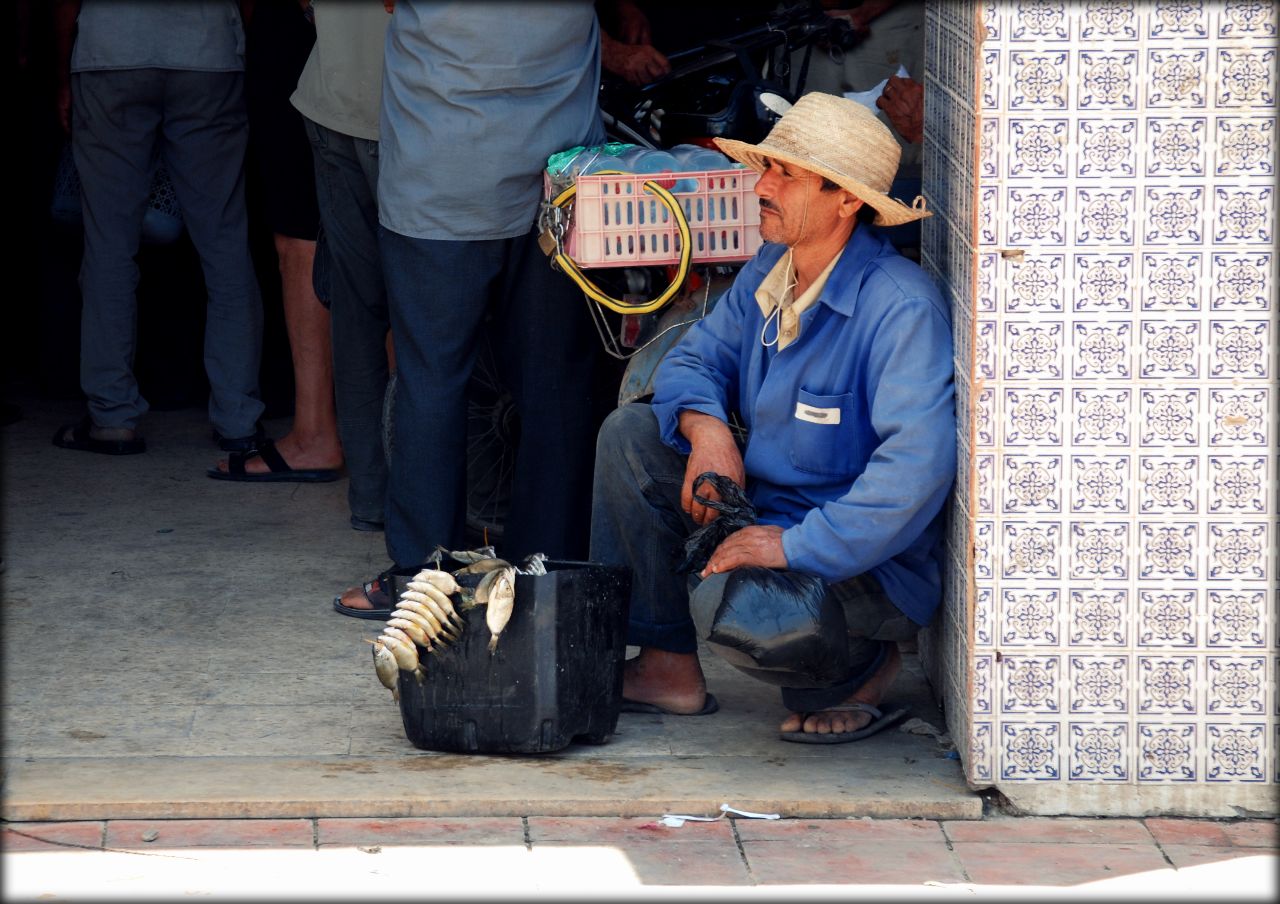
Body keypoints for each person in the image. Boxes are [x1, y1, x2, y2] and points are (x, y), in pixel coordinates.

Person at [589, 93, 955, 742]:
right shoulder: (774, 267)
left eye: (786, 174)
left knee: (743, 610)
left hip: (862, 562)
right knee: (632, 437)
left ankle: (862, 667)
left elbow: (915, 471)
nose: (763, 185)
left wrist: (791, 546)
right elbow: (692, 361)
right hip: (769, 510)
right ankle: (668, 668)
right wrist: (708, 436)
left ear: (846, 199)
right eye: (767, 168)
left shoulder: (900, 307)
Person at [334, 0, 604, 617]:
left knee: (432, 379)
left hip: (443, 170)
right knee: (555, 383)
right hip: (557, 180)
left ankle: (422, 578)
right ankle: (548, 570)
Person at [51, 0, 265, 456]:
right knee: (225, 244)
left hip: (111, 50)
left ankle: (112, 416)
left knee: (109, 246)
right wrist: (235, 43)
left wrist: (62, 70)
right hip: (209, 53)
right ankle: (238, 417)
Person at [208, 0, 344, 483]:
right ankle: (392, 437)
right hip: (382, 37)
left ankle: (315, 434)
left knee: (301, 234)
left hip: (306, 29)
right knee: (382, 226)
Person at [289, 2, 393, 529]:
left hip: (333, 97)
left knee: (357, 309)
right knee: (434, 312)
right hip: (413, 111)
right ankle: (426, 501)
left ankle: (373, 499)